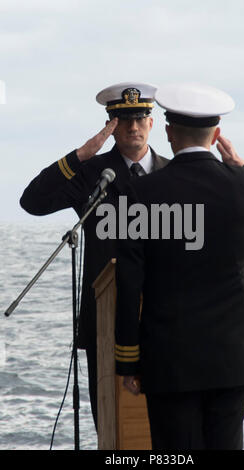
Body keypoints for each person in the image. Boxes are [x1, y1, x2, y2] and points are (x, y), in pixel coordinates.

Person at [114, 83, 244, 450]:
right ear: (216, 135)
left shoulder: (140, 195)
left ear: (168, 134)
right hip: (233, 357)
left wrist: (128, 360)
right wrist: (243, 168)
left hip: (169, 357)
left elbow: (129, 281)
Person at [19, 82, 169, 430]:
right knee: (113, 426)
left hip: (163, 316)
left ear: (152, 123)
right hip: (106, 318)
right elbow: (33, 203)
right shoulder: (90, 173)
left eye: (139, 118)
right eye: (123, 120)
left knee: (168, 427)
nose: (133, 127)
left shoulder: (172, 174)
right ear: (110, 125)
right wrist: (80, 156)